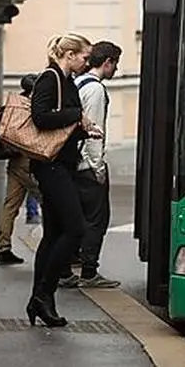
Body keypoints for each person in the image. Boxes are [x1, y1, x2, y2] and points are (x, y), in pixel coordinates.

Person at [25, 33, 102, 328]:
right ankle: (44, 294)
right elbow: (41, 118)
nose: (86, 62)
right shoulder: (50, 77)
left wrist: (85, 129)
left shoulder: (66, 80)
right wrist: (77, 116)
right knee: (76, 229)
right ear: (69, 54)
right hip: (51, 165)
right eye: (84, 57)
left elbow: (63, 123)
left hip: (63, 162)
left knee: (54, 234)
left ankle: (40, 299)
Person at [60, 40, 122, 289]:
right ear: (107, 62)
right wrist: (98, 168)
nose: (116, 70)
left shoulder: (78, 83)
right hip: (86, 164)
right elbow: (95, 130)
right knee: (97, 220)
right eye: (115, 64)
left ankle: (66, 269)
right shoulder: (95, 90)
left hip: (72, 162)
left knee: (74, 219)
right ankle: (89, 271)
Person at [0, 73, 44, 266]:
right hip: (28, 160)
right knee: (48, 201)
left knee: (10, 205)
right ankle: (52, 246)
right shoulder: (29, 107)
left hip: (14, 160)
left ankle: (3, 248)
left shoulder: (13, 104)